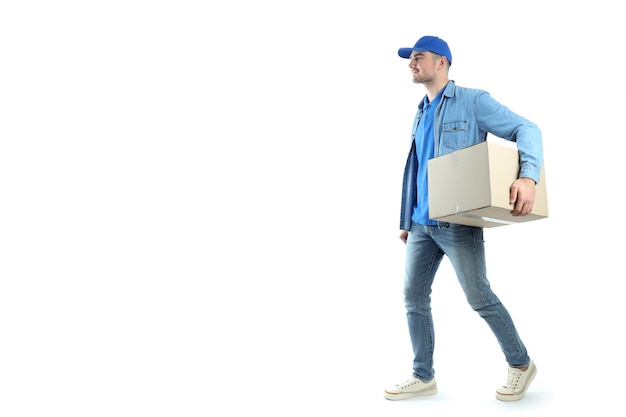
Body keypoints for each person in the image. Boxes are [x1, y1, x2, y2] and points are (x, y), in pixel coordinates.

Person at [383, 35, 543, 402]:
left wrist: (528, 176)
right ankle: (423, 376)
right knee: (413, 297)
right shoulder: (421, 110)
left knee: (479, 297)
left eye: (418, 57)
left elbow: (527, 129)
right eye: (410, 59)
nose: (411, 64)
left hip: (458, 224)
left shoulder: (473, 101)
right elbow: (417, 168)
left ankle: (520, 364)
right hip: (422, 225)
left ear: (441, 62)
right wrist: (407, 219)